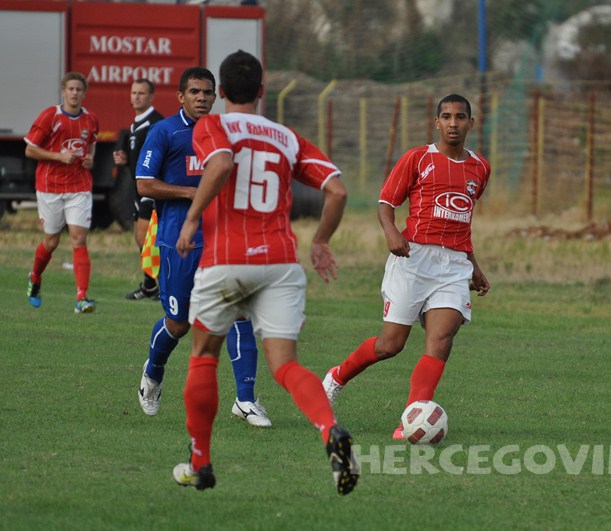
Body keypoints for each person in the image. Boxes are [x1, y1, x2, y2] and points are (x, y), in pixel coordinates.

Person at [172, 50, 359, 495]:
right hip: (279, 262)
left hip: (227, 259)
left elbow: (220, 163)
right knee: (285, 364)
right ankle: (330, 429)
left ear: (220, 91)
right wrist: (320, 241)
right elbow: (337, 191)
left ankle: (200, 463)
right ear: (261, 90)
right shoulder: (287, 137)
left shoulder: (212, 126)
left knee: (203, 356)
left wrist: (193, 218)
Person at [322, 93, 491, 440]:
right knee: (390, 345)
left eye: (460, 117)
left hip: (454, 266)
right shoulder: (417, 158)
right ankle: (337, 377)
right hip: (413, 260)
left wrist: (473, 265)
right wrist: (391, 233)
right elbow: (386, 203)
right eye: (447, 117)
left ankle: (412, 419)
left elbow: (462, 221)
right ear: (437, 122)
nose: (454, 124)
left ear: (471, 124)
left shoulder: (480, 168)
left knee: (441, 338)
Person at [135, 66, 271, 428]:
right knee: (179, 324)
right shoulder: (165, 131)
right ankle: (153, 372)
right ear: (181, 96)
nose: (202, 98)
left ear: (216, 95)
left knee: (240, 312)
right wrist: (191, 192)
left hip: (223, 240)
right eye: (194, 92)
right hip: (178, 241)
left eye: (208, 92)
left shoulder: (226, 132)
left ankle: (245, 399)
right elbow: (144, 184)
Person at [24, 72, 99, 314]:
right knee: (52, 241)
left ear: (84, 93)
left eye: (79, 89)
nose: (75, 93)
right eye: (71, 89)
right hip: (50, 187)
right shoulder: (50, 116)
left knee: (78, 238)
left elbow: (92, 143)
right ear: (63, 91)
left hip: (79, 186)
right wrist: (58, 156)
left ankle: (82, 298)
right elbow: (30, 150)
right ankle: (35, 277)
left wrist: (90, 159)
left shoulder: (91, 119)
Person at [113, 78, 164, 301]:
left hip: (151, 188)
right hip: (137, 188)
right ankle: (150, 285)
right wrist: (126, 161)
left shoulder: (156, 123)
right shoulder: (135, 125)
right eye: (133, 93)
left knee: (147, 237)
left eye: (141, 93)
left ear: (151, 97)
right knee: (139, 236)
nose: (136, 97)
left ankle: (163, 284)